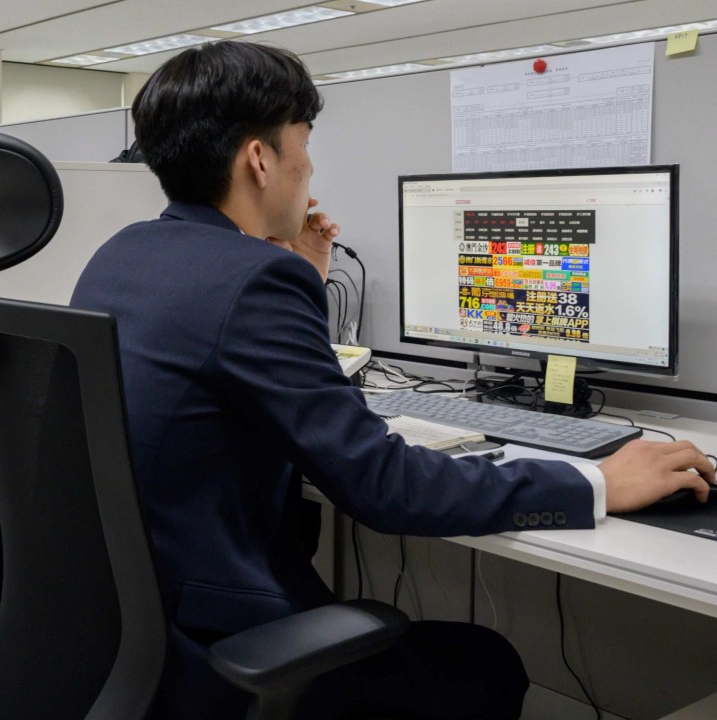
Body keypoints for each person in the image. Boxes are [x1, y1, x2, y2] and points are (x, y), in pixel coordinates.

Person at [69, 42, 714, 720]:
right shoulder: (255, 280)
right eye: (303, 145)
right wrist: (596, 482)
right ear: (260, 159)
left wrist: (303, 282)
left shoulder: (122, 253)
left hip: (132, 637)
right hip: (222, 648)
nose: (308, 169)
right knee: (487, 663)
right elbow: (382, 485)